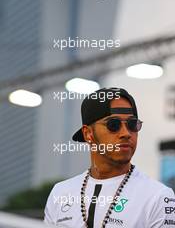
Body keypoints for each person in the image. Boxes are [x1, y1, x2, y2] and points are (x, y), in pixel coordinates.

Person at [44, 87, 175, 228]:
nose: (126, 133)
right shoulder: (61, 193)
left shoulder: (159, 197)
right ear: (88, 134)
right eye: (113, 124)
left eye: (132, 124)